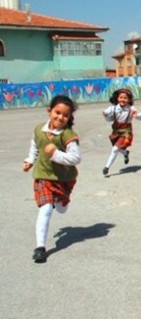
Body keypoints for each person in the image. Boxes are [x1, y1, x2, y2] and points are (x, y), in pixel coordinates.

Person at [22, 95, 81, 263]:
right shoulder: (39, 129)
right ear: (50, 111)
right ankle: (40, 247)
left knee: (61, 209)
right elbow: (35, 146)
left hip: (63, 178)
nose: (60, 117)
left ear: (69, 117)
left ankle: (61, 202)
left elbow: (76, 159)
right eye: (57, 112)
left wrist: (55, 154)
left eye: (65, 115)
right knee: (46, 208)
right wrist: (29, 161)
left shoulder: (68, 135)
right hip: (43, 176)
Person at [102, 89, 141, 176]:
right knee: (119, 148)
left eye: (125, 98)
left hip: (126, 132)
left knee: (115, 149)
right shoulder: (112, 108)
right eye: (121, 97)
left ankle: (106, 167)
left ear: (129, 100)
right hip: (116, 131)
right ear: (117, 98)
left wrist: (137, 115)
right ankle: (125, 153)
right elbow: (108, 119)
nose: (123, 100)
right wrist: (105, 115)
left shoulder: (131, 109)